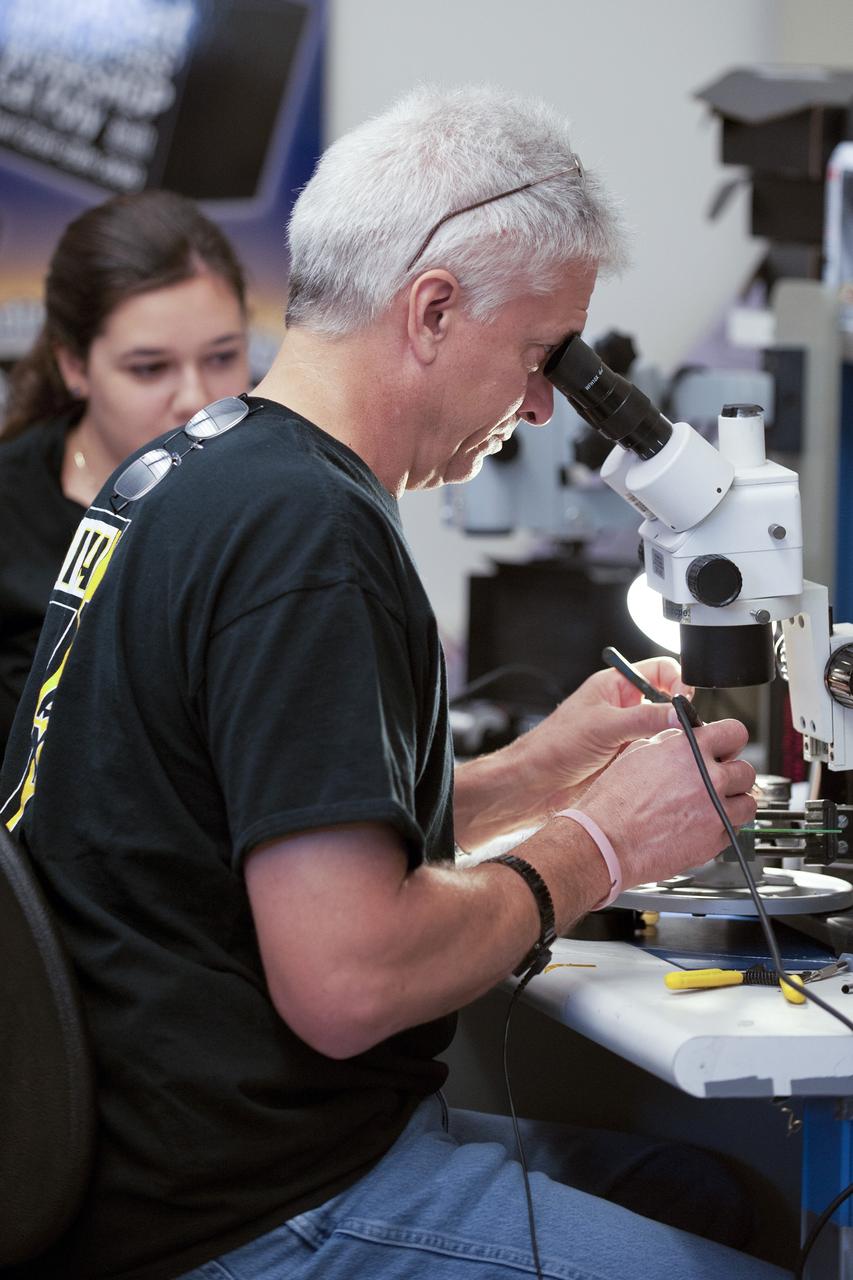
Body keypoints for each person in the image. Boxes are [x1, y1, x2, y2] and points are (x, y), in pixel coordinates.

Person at [0, 87, 791, 1280]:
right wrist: (602, 842)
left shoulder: (183, 469)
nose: (537, 405)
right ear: (430, 310)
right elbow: (349, 976)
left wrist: (533, 771)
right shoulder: (308, 533)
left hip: (150, 1154)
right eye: (537, 358)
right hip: (245, 1207)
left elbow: (228, 825)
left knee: (705, 1190)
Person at [0, 190, 250, 749]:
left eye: (222, 357)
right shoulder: (11, 511)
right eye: (149, 368)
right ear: (73, 365)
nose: (196, 398)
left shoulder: (284, 502)